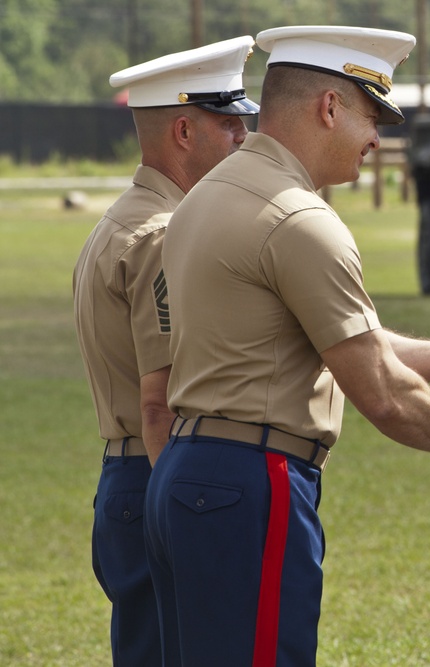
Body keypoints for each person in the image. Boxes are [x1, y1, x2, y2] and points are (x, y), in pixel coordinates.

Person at [148, 25, 430, 667]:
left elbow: (335, 341)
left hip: (189, 476)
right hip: (253, 482)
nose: (377, 137)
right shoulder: (300, 221)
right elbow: (378, 390)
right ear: (330, 107)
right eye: (371, 114)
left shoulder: (207, 196)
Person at [71, 36, 259, 665]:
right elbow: (161, 403)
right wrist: (179, 517)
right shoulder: (163, 233)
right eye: (229, 124)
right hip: (159, 473)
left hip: (127, 475)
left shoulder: (121, 219)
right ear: (183, 129)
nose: (243, 139)